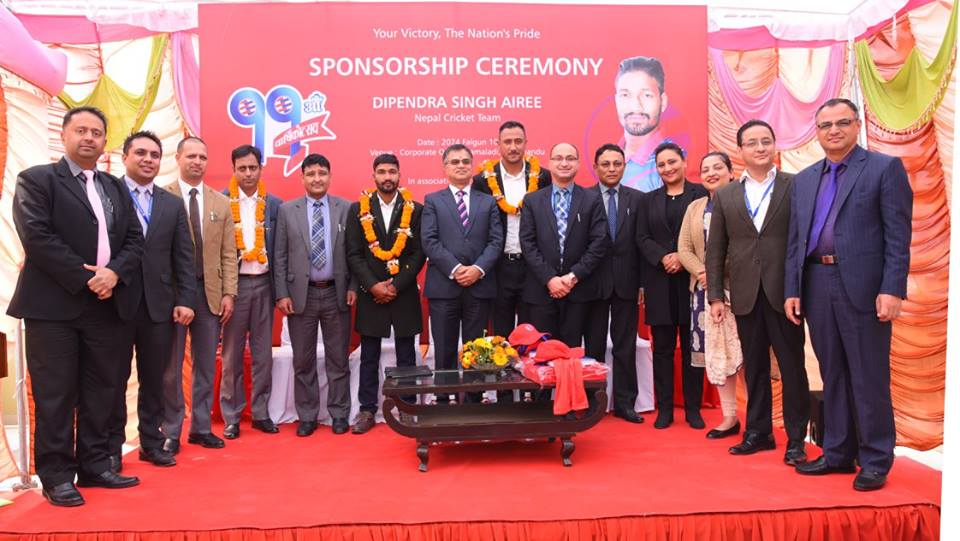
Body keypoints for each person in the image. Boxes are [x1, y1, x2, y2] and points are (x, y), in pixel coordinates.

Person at [8, 106, 144, 506]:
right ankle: (56, 476)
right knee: (56, 394)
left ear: (105, 142)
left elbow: (134, 239)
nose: (89, 137)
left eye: (96, 132)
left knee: (102, 390)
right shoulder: (37, 180)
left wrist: (113, 273)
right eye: (81, 130)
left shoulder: (114, 186)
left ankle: (95, 465)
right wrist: (88, 278)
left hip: (106, 304)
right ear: (64, 136)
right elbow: (37, 237)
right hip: (53, 308)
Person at [787, 98, 912, 491]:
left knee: (868, 375)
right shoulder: (804, 179)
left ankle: (875, 459)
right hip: (815, 282)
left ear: (857, 125)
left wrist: (892, 288)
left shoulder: (883, 169)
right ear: (817, 132)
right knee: (833, 373)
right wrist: (792, 289)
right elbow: (795, 240)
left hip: (864, 287)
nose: (834, 131)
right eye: (825, 125)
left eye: (842, 122)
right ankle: (837, 452)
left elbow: (898, 236)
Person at [705, 120, 809, 465]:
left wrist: (800, 286)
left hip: (786, 294)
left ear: (775, 145)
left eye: (766, 141)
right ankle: (758, 432)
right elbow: (716, 249)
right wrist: (716, 296)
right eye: (752, 142)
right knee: (754, 367)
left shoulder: (796, 185)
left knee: (792, 367)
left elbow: (803, 240)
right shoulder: (727, 195)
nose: (760, 147)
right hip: (745, 294)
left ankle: (796, 439)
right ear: (740, 150)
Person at [108, 131, 197, 472]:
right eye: (141, 153)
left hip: (159, 305)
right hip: (114, 303)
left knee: (155, 380)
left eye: (154, 155)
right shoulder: (107, 194)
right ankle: (111, 449)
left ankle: (151, 442)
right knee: (113, 380)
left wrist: (185, 299)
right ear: (125, 157)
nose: (148, 160)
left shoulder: (171, 203)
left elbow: (183, 256)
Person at [161, 137, 238, 453]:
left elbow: (229, 253)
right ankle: (171, 430)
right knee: (170, 367)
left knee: (206, 365)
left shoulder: (220, 203)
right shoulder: (162, 197)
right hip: (173, 296)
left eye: (202, 157)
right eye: (191, 156)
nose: (197, 162)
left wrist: (229, 292)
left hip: (210, 294)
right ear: (178, 157)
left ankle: (201, 428)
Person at [274, 154, 356, 436]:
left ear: (330, 177)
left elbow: (354, 253)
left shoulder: (346, 208)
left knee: (338, 359)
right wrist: (281, 293)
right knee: (303, 360)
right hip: (301, 296)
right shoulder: (287, 210)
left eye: (322, 173)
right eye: (311, 174)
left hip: (336, 293)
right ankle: (307, 415)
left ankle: (339, 414)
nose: (317, 179)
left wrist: (353, 287)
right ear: (302, 178)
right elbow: (280, 255)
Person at [346, 154, 426, 433]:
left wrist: (396, 285)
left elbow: (419, 253)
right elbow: (354, 254)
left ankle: (407, 407)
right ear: (374, 176)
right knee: (369, 355)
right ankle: (367, 410)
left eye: (392, 171)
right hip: (371, 293)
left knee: (406, 355)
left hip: (404, 292)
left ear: (399, 175)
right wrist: (374, 285)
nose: (387, 177)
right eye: (382, 172)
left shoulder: (415, 210)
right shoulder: (358, 209)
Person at [421, 144, 503, 402]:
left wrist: (477, 269)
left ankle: (473, 402)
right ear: (445, 167)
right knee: (444, 349)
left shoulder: (488, 201)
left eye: (465, 161)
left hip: (479, 286)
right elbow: (429, 240)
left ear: (472, 165)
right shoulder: (433, 200)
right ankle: (443, 401)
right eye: (454, 161)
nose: (460, 165)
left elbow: (496, 241)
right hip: (444, 287)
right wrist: (456, 269)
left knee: (476, 349)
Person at [636, 142, 708, 429]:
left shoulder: (701, 194)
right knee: (663, 349)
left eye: (672, 162)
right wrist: (664, 257)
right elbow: (641, 237)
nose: (667, 168)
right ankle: (665, 409)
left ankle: (693, 409)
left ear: (684, 161)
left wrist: (682, 257)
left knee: (693, 349)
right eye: (662, 164)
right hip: (659, 281)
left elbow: (708, 232)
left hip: (693, 282)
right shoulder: (648, 201)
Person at [219, 145, 283, 440]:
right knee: (232, 355)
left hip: (265, 284)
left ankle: (261, 413)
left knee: (262, 354)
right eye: (242, 168)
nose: (247, 173)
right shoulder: (221, 202)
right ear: (233, 169)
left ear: (261, 169)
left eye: (252, 168)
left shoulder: (274, 205)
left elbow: (280, 251)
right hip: (235, 287)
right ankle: (231, 416)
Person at [519, 142, 609, 349]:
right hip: (541, 291)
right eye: (558, 158)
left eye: (570, 158)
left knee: (572, 353)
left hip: (579, 291)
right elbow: (527, 243)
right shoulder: (532, 200)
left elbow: (599, 242)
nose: (564, 163)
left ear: (578, 164)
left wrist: (572, 277)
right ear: (550, 163)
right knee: (542, 354)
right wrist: (550, 279)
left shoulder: (592, 199)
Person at [677, 151, 742, 438]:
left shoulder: (743, 201)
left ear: (731, 171)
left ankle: (757, 417)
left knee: (745, 355)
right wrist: (704, 273)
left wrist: (716, 274)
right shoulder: (695, 207)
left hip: (739, 289)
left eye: (718, 167)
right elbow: (684, 249)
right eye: (706, 169)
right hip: (703, 292)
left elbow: (745, 247)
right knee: (717, 356)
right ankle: (730, 417)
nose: (711, 173)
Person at [472, 121, 552, 339]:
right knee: (501, 333)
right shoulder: (482, 180)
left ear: (526, 143)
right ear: (498, 144)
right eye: (507, 142)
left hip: (533, 266)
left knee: (531, 333)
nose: (513, 147)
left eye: (518, 141)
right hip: (498, 266)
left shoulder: (543, 177)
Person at [582, 144, 644, 423]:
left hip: (627, 283)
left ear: (624, 167)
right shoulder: (583, 198)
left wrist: (642, 284)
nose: (611, 169)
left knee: (624, 346)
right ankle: (593, 402)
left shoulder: (638, 200)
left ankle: (625, 403)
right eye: (605, 164)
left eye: (617, 164)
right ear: (595, 167)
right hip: (592, 284)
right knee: (593, 346)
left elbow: (641, 244)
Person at [615, 56, 687, 193]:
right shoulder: (610, 159)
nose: (635, 106)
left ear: (663, 101)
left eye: (646, 95)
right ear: (616, 100)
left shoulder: (677, 160)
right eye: (625, 95)